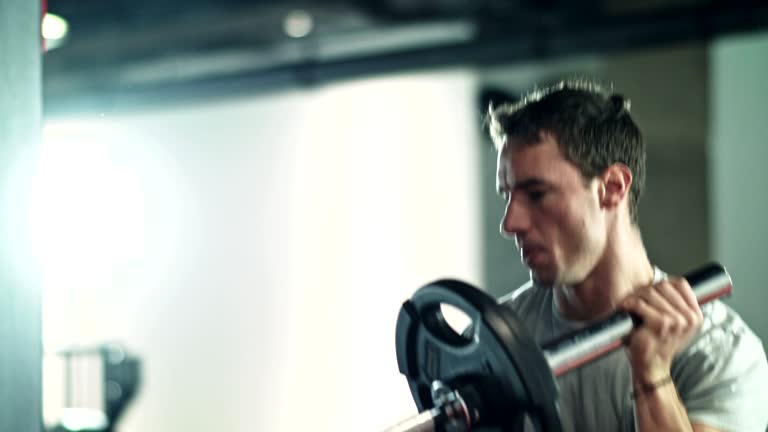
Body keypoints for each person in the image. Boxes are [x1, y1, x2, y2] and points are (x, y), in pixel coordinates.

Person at [486, 79, 768, 432]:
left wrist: (651, 372)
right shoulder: (500, 339)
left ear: (612, 188)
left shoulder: (720, 352)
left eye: (537, 194)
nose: (511, 223)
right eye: (507, 196)